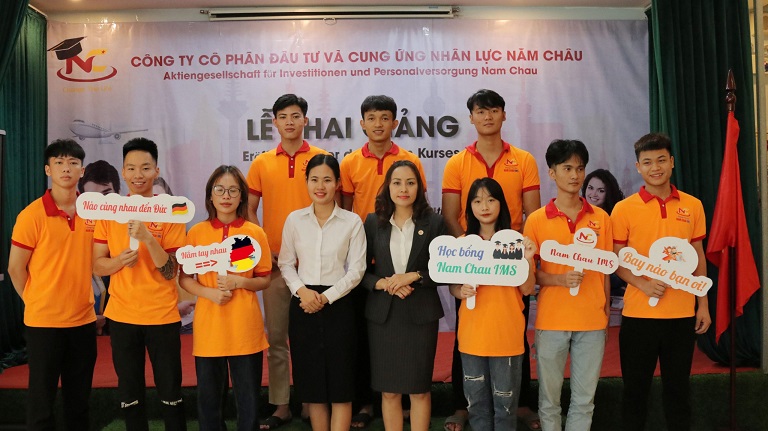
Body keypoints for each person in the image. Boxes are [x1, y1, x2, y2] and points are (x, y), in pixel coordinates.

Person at [441, 89, 541, 431]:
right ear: (471, 117)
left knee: (514, 334)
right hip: (471, 265)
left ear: (503, 115)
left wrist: (513, 253)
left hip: (511, 263)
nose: (487, 116)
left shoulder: (523, 160)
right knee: (467, 336)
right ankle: (463, 406)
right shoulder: (457, 163)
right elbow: (451, 215)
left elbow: (532, 215)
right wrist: (472, 256)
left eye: (494, 110)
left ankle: (519, 404)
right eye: (480, 111)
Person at [611, 133, 711, 431]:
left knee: (678, 392)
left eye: (661, 160)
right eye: (647, 162)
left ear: (672, 162)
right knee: (634, 392)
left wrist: (703, 305)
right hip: (638, 316)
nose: (655, 167)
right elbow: (616, 260)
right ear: (638, 167)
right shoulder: (623, 209)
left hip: (681, 316)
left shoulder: (693, 205)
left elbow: (698, 256)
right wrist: (642, 284)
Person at [340, 94, 427, 429]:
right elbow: (345, 211)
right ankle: (366, 402)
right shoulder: (350, 163)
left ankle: (403, 400)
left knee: (404, 336)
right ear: (362, 123)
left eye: (385, 117)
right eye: (372, 118)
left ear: (395, 123)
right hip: (365, 260)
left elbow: (420, 206)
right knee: (365, 334)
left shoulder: (409, 160)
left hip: (404, 260)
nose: (378, 124)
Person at [92, 137, 187, 431]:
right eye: (131, 168)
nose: (138, 174)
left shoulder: (171, 211)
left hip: (162, 316)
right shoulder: (110, 212)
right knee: (130, 395)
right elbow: (97, 264)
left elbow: (171, 271)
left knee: (171, 394)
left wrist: (148, 238)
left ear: (156, 171)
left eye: (145, 168)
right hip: (122, 316)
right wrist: (119, 261)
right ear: (123, 172)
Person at [246, 94, 329, 429]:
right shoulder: (261, 163)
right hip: (276, 264)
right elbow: (249, 210)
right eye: (283, 117)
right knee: (277, 338)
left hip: (316, 265)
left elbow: (332, 206)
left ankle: (311, 401)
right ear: (275, 122)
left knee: (312, 338)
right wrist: (266, 248)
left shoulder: (322, 159)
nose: (290, 122)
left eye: (296, 116)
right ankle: (280, 404)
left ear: (305, 120)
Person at [523, 140, 612, 431]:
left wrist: (604, 312)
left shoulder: (601, 218)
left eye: (580, 168)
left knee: (584, 401)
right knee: (549, 401)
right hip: (552, 321)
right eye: (567, 168)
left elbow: (605, 270)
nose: (575, 175)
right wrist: (559, 280)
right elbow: (531, 275)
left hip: (592, 321)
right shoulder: (536, 220)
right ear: (552, 173)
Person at [8, 139, 97, 430]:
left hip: (83, 321)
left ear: (82, 170)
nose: (66, 168)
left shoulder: (94, 213)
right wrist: (34, 300)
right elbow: (15, 268)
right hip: (43, 323)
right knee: (41, 401)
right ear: (48, 169)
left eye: (73, 162)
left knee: (79, 401)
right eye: (58, 163)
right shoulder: (31, 215)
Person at [179, 165, 272, 431]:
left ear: (242, 196)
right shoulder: (197, 233)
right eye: (219, 189)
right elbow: (185, 278)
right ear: (210, 195)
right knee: (209, 400)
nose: (226, 196)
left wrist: (240, 282)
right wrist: (208, 292)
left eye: (233, 190)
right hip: (209, 329)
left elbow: (264, 278)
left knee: (248, 399)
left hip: (245, 328)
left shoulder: (254, 233)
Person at [278, 154, 367, 431]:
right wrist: (301, 291)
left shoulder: (352, 222)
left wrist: (326, 297)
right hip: (303, 304)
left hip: (339, 305)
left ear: (338, 183)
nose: (320, 186)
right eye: (314, 179)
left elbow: (357, 270)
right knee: (312, 383)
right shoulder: (294, 220)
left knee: (341, 383)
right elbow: (285, 262)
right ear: (306, 182)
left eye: (327, 180)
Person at [361, 160, 444, 431]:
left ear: (419, 187)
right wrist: (385, 283)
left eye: (410, 183)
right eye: (397, 183)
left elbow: (445, 271)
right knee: (389, 392)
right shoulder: (373, 222)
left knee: (419, 390)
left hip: (420, 316)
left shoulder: (434, 222)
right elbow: (359, 272)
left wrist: (414, 276)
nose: (403, 189)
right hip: (384, 317)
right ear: (388, 187)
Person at [449, 177, 536, 431]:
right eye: (477, 201)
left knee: (506, 406)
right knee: (476, 406)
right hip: (472, 337)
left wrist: (527, 260)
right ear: (469, 207)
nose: (484, 206)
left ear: (501, 204)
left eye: (490, 200)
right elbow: (453, 287)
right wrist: (460, 290)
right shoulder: (463, 244)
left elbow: (528, 289)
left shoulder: (517, 242)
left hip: (507, 336)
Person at [582, 169, 627, 299]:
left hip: (612, 273)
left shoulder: (616, 217)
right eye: (590, 188)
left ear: (608, 193)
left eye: (601, 190)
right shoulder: (575, 213)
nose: (593, 194)